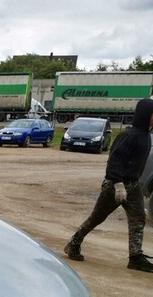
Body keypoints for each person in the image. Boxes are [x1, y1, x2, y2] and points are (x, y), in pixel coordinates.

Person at [64, 98, 153, 272]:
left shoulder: (145, 136)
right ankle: (73, 243)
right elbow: (114, 162)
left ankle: (135, 257)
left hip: (133, 186)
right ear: (145, 115)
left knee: (138, 220)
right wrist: (118, 184)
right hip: (115, 185)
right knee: (97, 218)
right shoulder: (128, 136)